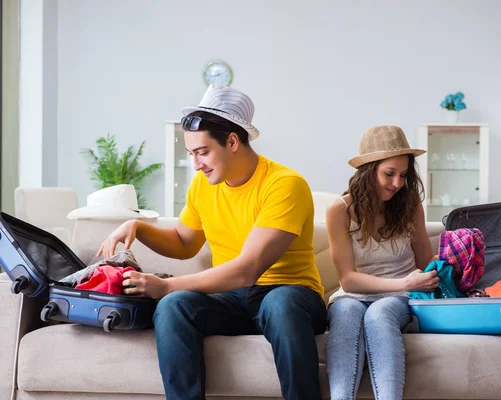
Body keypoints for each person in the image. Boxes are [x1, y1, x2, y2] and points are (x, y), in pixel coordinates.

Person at [97, 84, 326, 400]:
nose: (196, 164)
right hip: (232, 297)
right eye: (191, 154)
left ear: (232, 141)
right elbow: (183, 242)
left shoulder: (285, 185)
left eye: (203, 152)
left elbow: (248, 269)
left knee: (279, 303)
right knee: (174, 306)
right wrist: (139, 227)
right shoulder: (203, 186)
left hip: (291, 294)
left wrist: (166, 285)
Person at [325, 125, 439, 400]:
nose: (398, 183)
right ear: (368, 170)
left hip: (400, 297)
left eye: (403, 175)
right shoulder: (339, 211)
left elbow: (425, 261)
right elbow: (348, 280)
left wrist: (454, 257)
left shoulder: (410, 206)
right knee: (346, 312)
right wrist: (405, 281)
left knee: (379, 314)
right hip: (354, 293)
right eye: (389, 174)